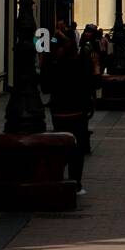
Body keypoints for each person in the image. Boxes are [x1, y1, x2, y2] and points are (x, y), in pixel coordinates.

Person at [47, 34, 95, 195]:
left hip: (59, 113)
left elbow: (46, 87)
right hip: (78, 113)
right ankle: (76, 183)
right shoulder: (82, 64)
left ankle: (58, 179)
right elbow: (93, 85)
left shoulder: (55, 65)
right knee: (77, 149)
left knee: (61, 146)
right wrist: (96, 67)